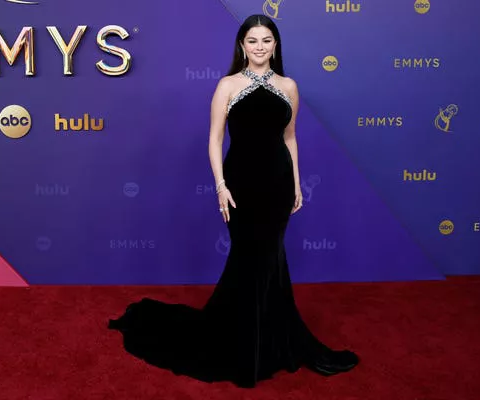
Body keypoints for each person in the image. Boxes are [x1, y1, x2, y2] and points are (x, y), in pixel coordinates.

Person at [108, 14, 359, 388]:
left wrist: (296, 185)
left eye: (266, 40)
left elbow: (289, 139)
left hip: (276, 184)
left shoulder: (289, 86)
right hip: (240, 182)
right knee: (248, 258)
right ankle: (244, 342)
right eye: (253, 40)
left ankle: (269, 340)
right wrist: (220, 186)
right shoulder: (227, 85)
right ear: (242, 45)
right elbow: (214, 139)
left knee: (270, 258)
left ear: (276, 45)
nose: (260, 47)